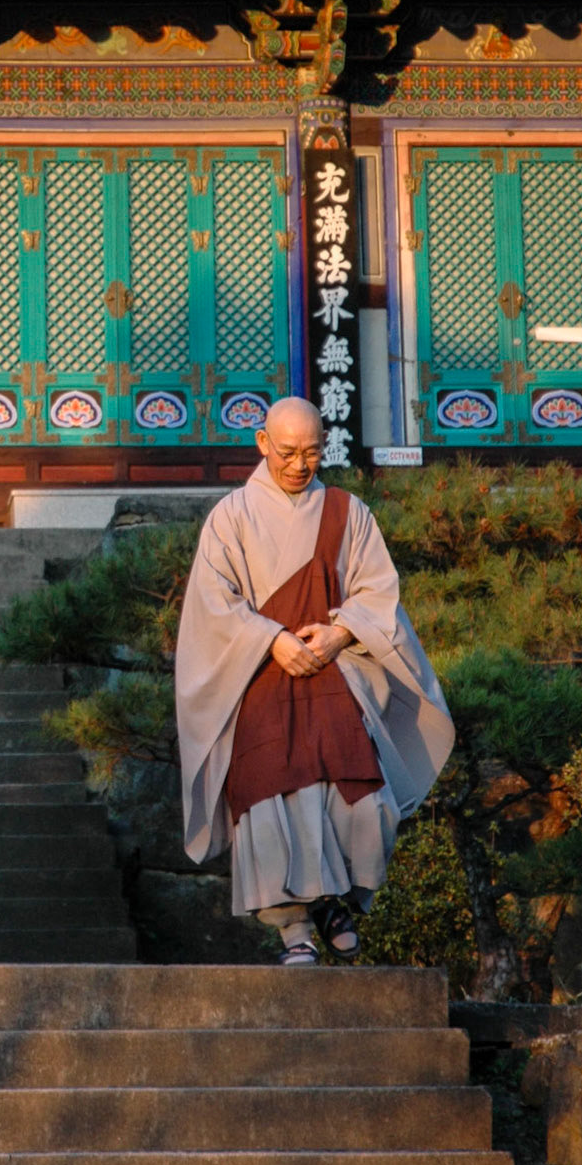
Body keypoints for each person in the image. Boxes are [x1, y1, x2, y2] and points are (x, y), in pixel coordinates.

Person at [174, 396, 453, 965]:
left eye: (312, 452)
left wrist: (340, 633)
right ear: (261, 443)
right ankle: (294, 927)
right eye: (287, 452)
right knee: (273, 800)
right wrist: (270, 639)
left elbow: (378, 593)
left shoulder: (349, 513)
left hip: (334, 675)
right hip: (259, 680)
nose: (300, 465)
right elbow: (213, 605)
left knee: (361, 798)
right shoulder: (230, 516)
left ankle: (337, 900)